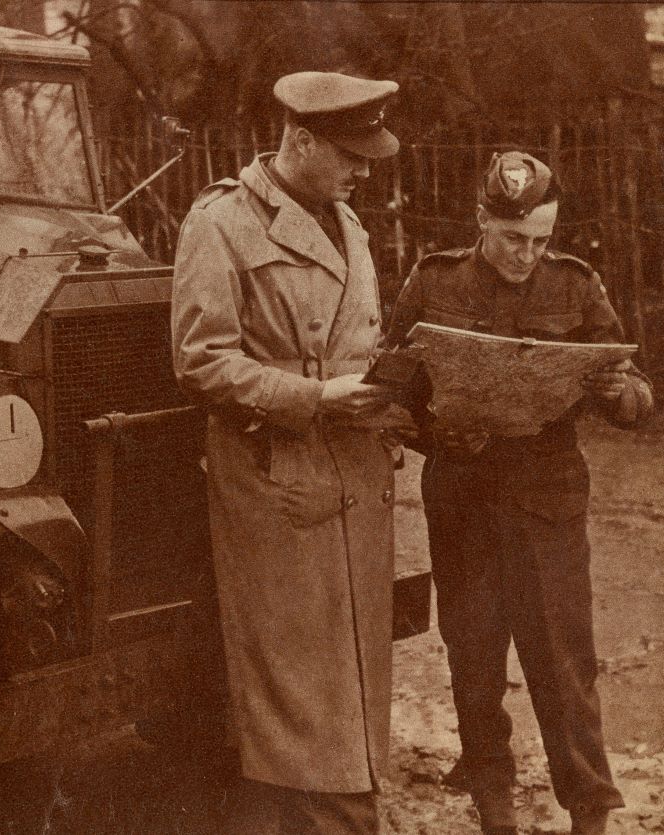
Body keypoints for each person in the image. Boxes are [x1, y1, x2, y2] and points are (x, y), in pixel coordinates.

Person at [171, 71, 415, 834]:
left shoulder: (349, 224)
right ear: (299, 140)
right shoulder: (221, 223)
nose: (363, 169)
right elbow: (200, 360)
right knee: (305, 715)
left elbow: (357, 343)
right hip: (280, 491)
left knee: (343, 704)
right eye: (348, 153)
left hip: (354, 480)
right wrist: (314, 398)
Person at [385, 151, 654, 835]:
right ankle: (493, 809)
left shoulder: (576, 285)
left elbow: (633, 392)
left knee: (565, 664)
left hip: (547, 501)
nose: (528, 254)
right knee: (473, 659)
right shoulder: (433, 279)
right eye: (513, 238)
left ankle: (590, 811)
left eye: (541, 239)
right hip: (463, 498)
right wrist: (441, 432)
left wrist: (621, 393)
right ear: (482, 220)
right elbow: (392, 393)